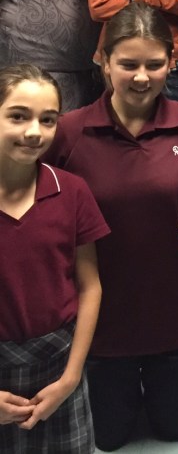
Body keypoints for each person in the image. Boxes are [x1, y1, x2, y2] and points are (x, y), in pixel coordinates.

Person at [45, 3, 178, 450]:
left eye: (154, 64)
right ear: (103, 61)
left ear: (171, 62)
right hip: (103, 324)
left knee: (177, 431)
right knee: (108, 439)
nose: (142, 77)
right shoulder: (68, 132)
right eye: (128, 64)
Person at [0, 64, 108, 454]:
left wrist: (71, 376)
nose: (34, 131)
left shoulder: (72, 191)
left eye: (48, 120)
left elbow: (89, 286)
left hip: (59, 363)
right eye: (18, 116)